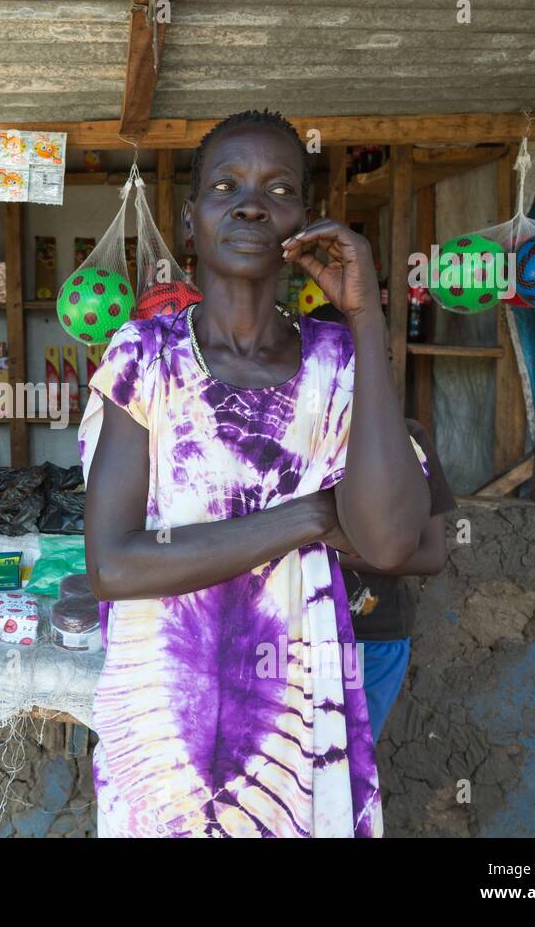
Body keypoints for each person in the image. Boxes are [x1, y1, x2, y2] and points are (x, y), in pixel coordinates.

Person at [79, 110, 430, 838]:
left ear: (304, 222)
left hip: (294, 713)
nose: (250, 203)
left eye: (278, 189)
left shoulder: (341, 361)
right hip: (162, 710)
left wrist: (365, 318)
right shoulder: (145, 356)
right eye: (225, 185)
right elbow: (114, 564)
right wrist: (306, 518)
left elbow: (401, 545)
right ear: (191, 218)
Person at [309, 305, 456, 742]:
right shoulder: (291, 442)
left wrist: (322, 549)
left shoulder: (407, 440)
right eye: (328, 357)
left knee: (350, 764)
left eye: (360, 356)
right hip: (294, 640)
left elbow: (430, 556)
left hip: (373, 636)